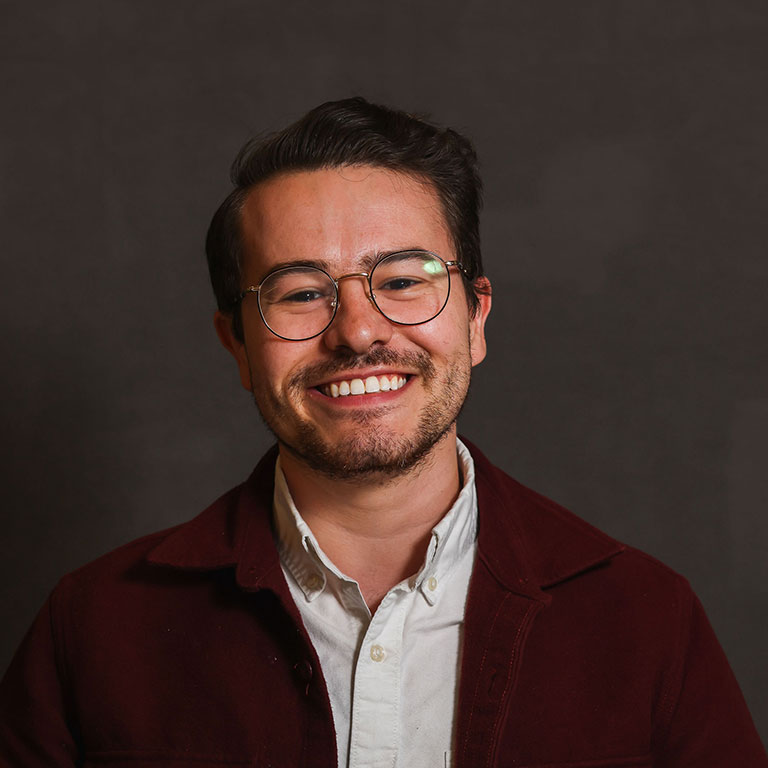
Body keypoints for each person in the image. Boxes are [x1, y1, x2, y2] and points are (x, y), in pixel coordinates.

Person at [1, 97, 765, 768]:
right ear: (236, 344)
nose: (359, 331)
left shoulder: (645, 620)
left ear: (476, 316)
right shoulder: (94, 627)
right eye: (301, 293)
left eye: (403, 279)